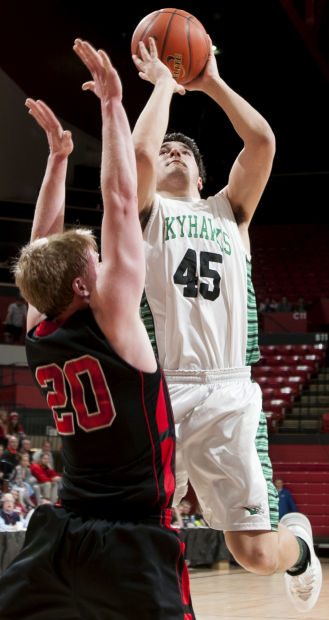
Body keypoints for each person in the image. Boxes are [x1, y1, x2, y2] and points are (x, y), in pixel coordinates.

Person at [0, 39, 195, 620]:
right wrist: (113, 104)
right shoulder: (113, 317)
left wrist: (58, 159)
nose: (103, 261)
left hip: (59, 533)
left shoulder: (39, 331)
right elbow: (119, 197)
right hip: (135, 536)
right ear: (85, 286)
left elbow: (41, 249)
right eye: (94, 261)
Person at [132, 37, 322, 612]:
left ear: (201, 171)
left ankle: (303, 550)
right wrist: (164, 86)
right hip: (162, 388)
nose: (172, 152)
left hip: (227, 390)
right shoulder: (146, 213)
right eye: (166, 148)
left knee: (256, 555)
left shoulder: (229, 211)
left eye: (184, 151)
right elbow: (137, 158)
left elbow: (261, 141)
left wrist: (209, 80)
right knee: (136, 529)